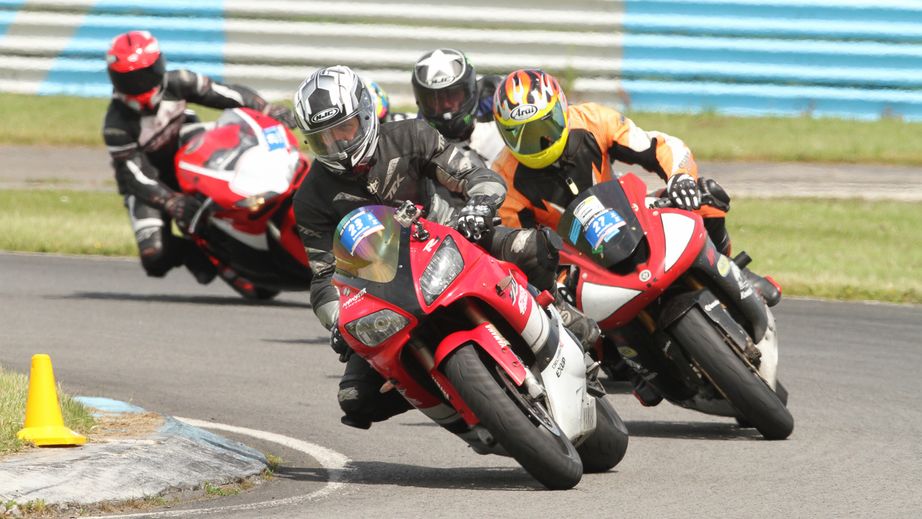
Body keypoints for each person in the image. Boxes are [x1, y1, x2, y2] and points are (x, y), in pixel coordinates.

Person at [291, 65, 599, 430]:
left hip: (452, 236)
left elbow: (473, 173)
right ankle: (459, 407)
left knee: (533, 247)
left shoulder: (411, 136)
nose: (339, 144)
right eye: (324, 138)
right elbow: (324, 276)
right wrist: (337, 321)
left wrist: (480, 205)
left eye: (345, 128)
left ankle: (566, 324)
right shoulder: (310, 197)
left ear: (365, 113)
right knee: (357, 399)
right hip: (381, 286)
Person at [491, 69, 780, 306]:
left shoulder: (594, 120)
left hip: (632, 216)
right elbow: (519, 255)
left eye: (545, 127)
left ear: (562, 111)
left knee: (706, 196)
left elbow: (661, 146)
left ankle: (732, 272)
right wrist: (555, 278)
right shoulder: (504, 179)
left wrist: (679, 178)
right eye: (524, 136)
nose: (540, 142)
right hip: (576, 265)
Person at [102, 30, 297, 291]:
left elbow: (226, 94)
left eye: (145, 74)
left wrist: (267, 109)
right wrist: (171, 201)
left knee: (214, 145)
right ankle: (198, 252)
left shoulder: (180, 81)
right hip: (150, 183)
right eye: (129, 79)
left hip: (191, 153)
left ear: (159, 67)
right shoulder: (116, 125)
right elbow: (135, 175)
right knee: (154, 256)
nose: (139, 84)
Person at [411, 48, 505, 168]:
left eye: (453, 95)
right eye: (435, 100)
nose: (446, 105)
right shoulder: (420, 137)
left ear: (470, 90)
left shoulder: (497, 100)